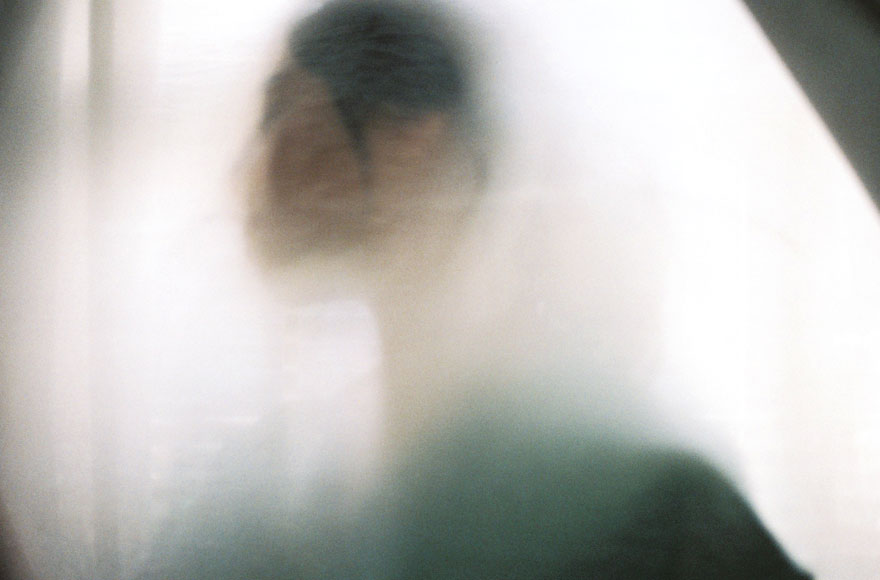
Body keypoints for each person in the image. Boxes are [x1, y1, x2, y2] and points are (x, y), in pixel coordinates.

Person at [137, 2, 812, 578]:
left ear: (412, 137)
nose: (249, 168)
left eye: (285, 107)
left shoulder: (647, 500)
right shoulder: (287, 491)